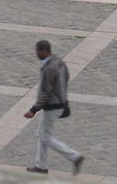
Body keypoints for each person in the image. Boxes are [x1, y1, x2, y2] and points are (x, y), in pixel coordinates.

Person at [23, 40, 85, 175]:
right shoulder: (59, 63)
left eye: (38, 51)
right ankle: (41, 166)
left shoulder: (50, 68)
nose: (36, 53)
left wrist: (33, 110)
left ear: (44, 51)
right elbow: (66, 79)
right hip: (59, 103)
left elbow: (47, 92)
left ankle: (75, 157)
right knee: (41, 134)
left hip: (52, 106)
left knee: (45, 137)